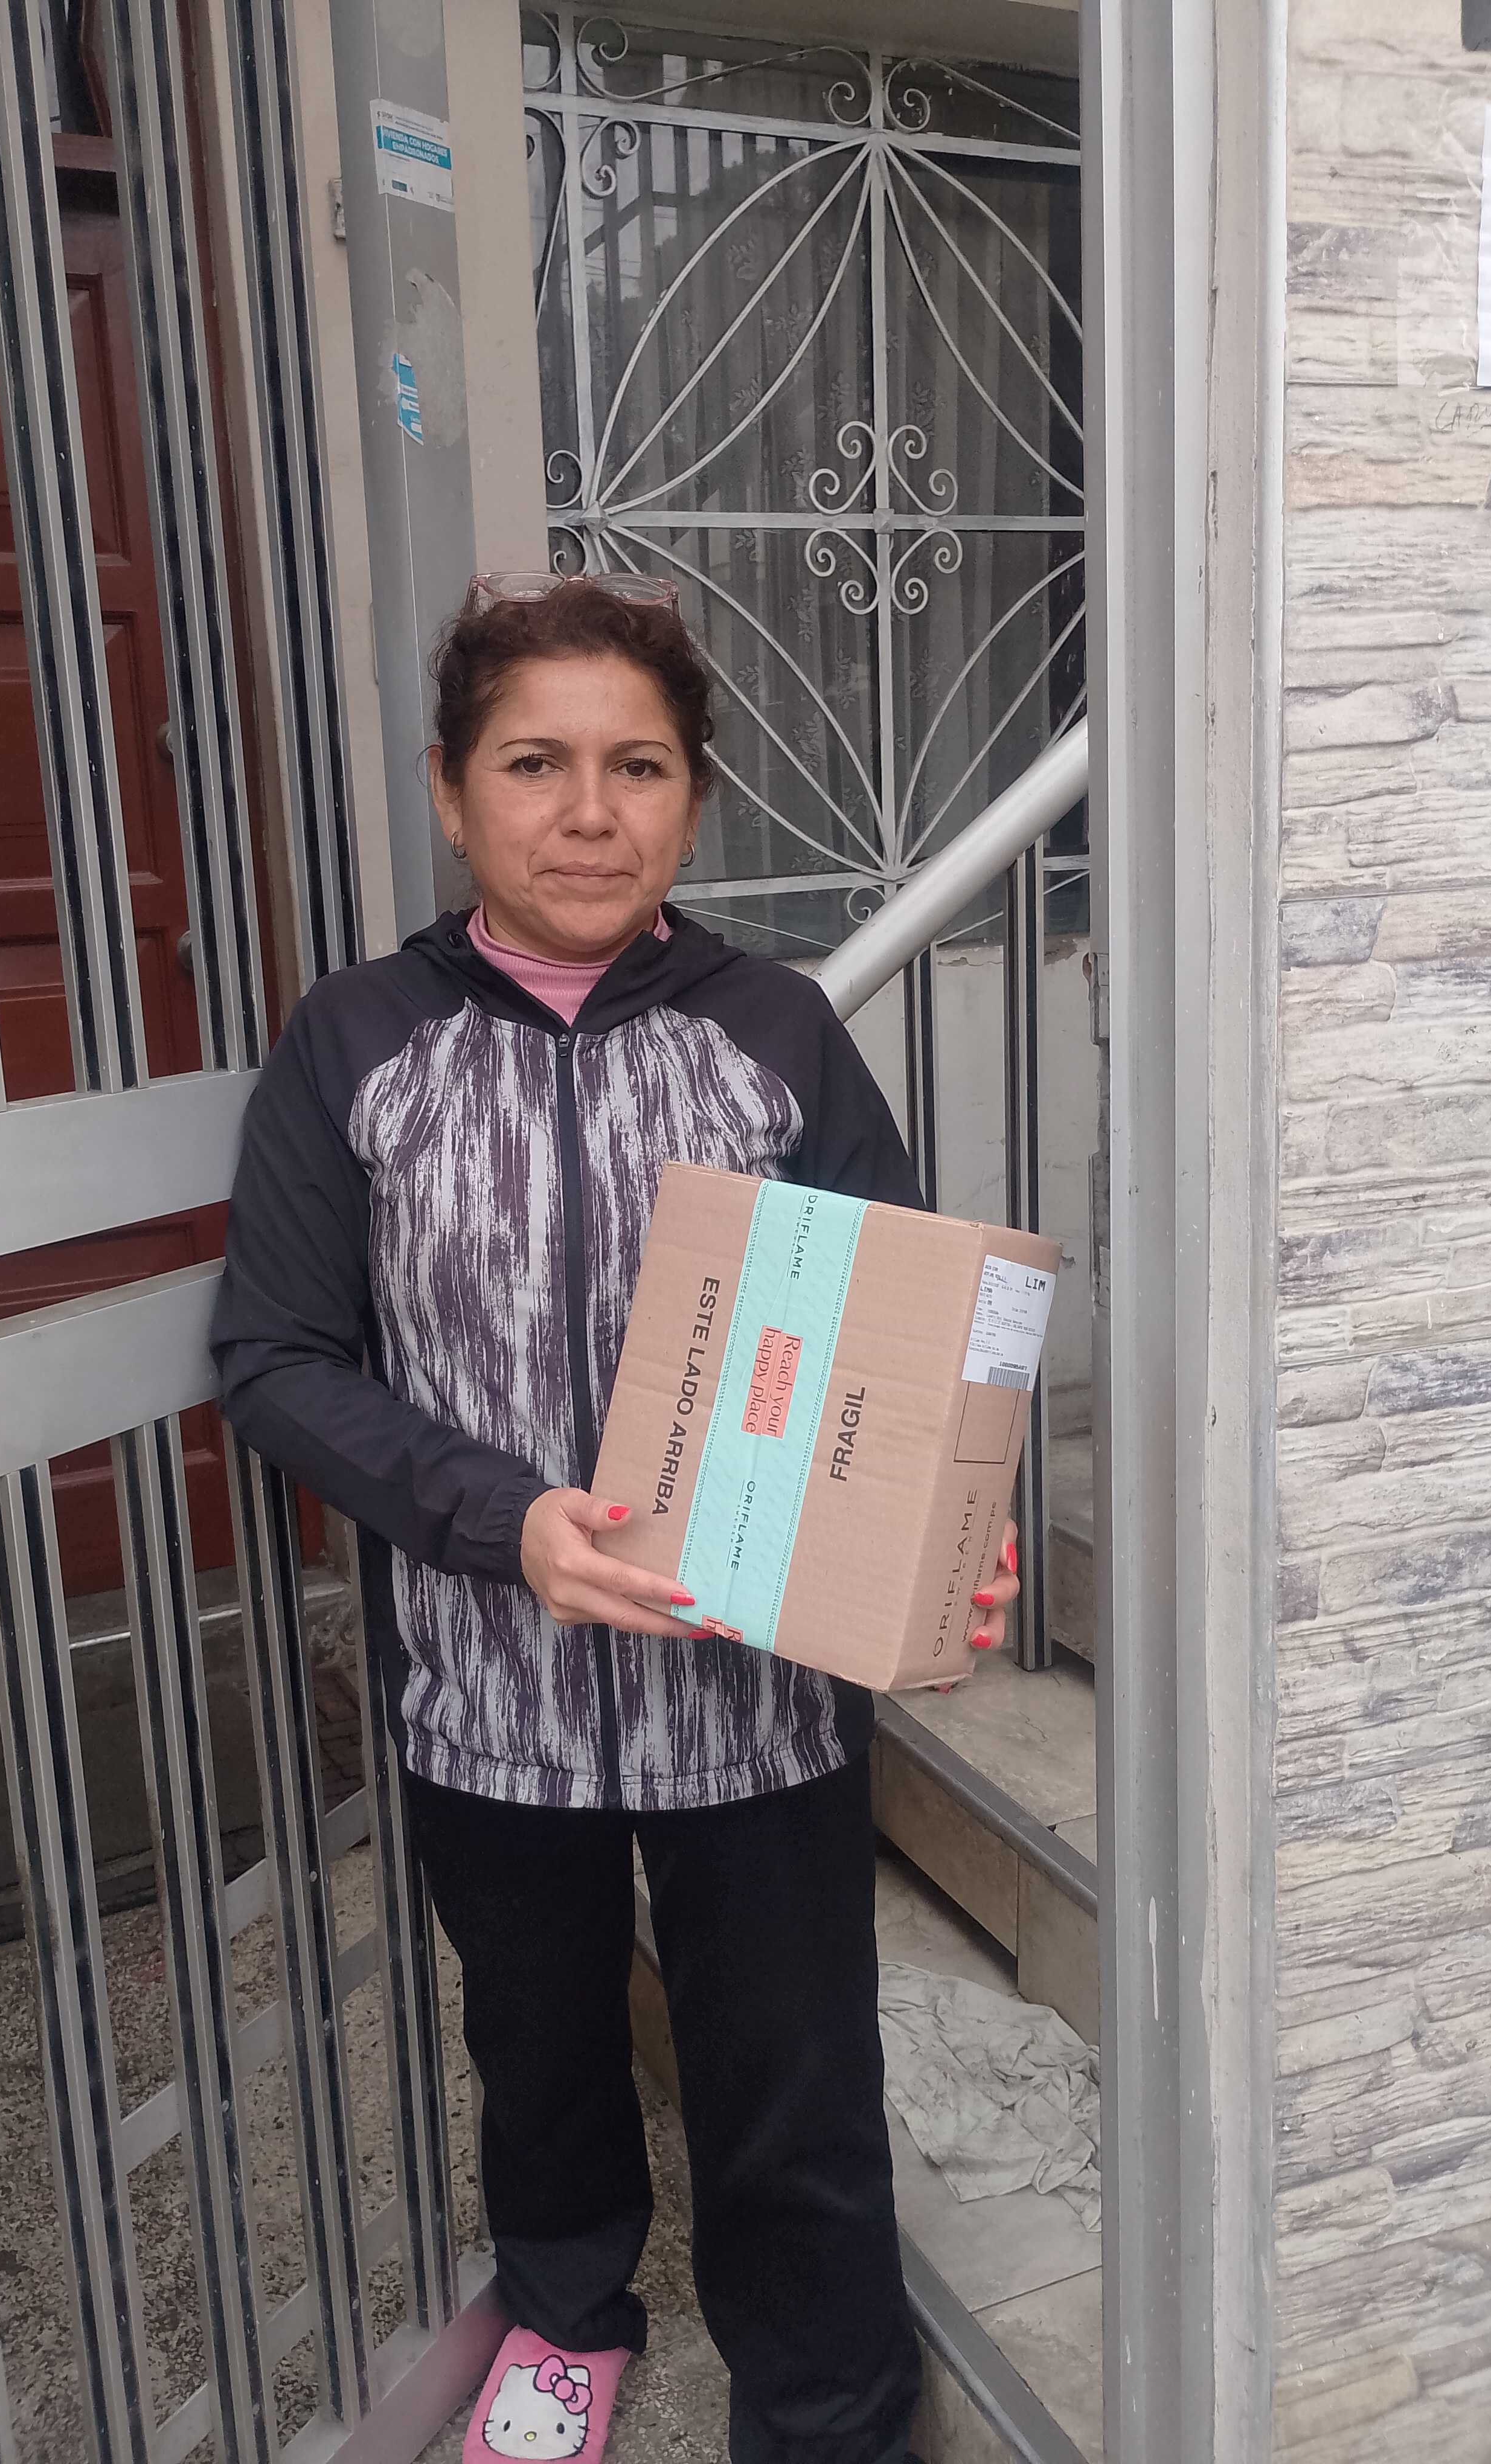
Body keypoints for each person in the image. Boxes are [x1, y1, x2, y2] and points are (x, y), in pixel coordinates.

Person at [211, 573, 1020, 2464]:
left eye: (639, 767)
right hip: (490, 1689)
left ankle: (826, 2410)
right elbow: (276, 1355)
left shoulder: (777, 1033)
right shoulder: (359, 1043)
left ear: (695, 797)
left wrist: (938, 1543)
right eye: (535, 764)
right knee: (541, 2044)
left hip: (758, 1701)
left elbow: (905, 1338)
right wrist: (502, 1523)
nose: (590, 814)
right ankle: (570, 2312)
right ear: (450, 788)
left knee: (792, 2082)